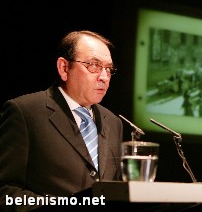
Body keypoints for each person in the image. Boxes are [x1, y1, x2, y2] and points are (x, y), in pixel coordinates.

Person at [0, 30, 123, 211]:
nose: (104, 77)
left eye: (109, 69)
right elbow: (6, 192)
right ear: (64, 68)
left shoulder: (113, 122)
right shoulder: (25, 112)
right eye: (94, 66)